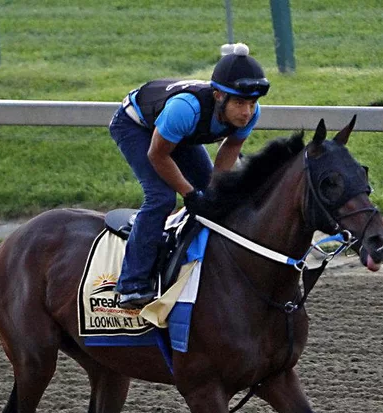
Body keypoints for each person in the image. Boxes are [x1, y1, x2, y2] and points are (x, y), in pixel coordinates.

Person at [109, 42, 270, 309]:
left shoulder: (249, 115)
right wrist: (189, 193)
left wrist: (214, 192)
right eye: (240, 103)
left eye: (252, 103)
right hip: (136, 126)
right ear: (219, 96)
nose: (247, 112)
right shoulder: (186, 109)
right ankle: (131, 284)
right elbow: (157, 155)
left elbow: (229, 149)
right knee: (161, 197)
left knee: (211, 196)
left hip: (180, 133)